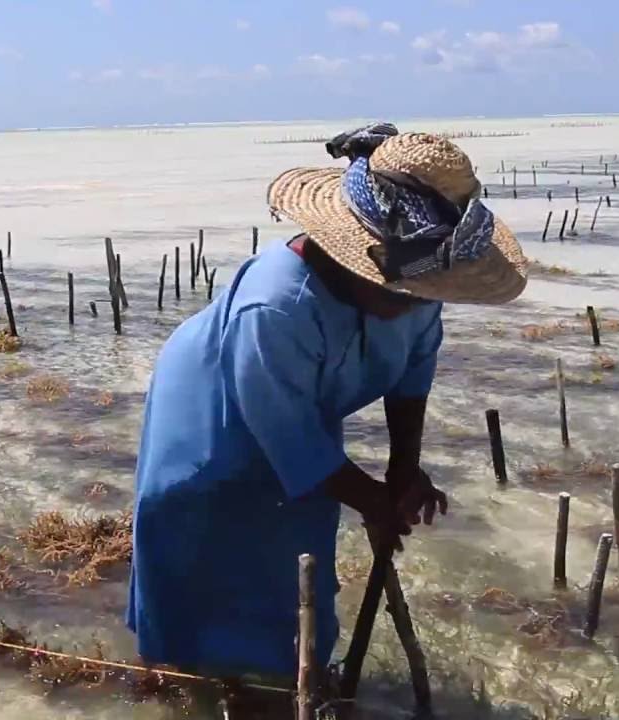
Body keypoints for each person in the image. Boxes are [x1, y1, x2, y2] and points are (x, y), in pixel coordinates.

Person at [126, 124, 527, 683]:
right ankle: (189, 680)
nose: (413, 305)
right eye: (400, 292)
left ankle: (291, 676)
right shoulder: (277, 308)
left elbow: (413, 374)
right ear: (350, 256)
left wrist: (402, 473)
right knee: (200, 548)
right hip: (209, 410)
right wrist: (374, 501)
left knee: (299, 550)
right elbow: (289, 437)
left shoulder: (417, 284)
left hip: (302, 409)